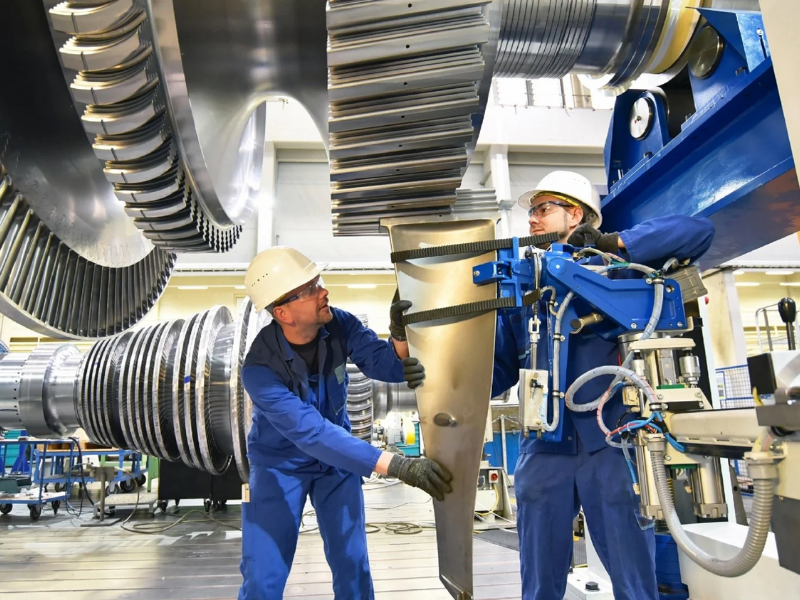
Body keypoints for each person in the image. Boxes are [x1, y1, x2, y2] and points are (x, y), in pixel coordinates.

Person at [492, 171, 716, 600]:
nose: (532, 221)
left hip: (611, 443)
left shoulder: (617, 271)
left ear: (575, 214)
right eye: (532, 212)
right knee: (538, 583)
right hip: (542, 447)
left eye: (543, 209)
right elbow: (499, 374)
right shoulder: (524, 288)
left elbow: (698, 231)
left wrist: (614, 244)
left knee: (635, 581)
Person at [238, 246, 452, 600]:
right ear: (283, 312)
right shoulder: (259, 370)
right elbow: (312, 433)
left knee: (352, 564)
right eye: (308, 289)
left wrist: (400, 335)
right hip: (280, 467)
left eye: (317, 281)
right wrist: (396, 465)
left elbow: (382, 363)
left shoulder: (340, 324)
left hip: (334, 465)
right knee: (264, 575)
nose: (323, 291)